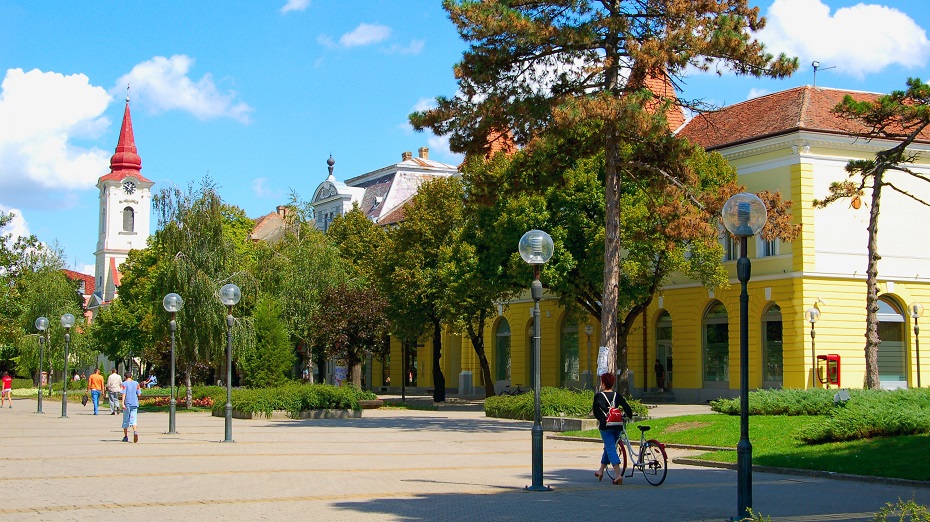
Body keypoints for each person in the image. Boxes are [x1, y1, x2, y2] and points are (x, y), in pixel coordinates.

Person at [592, 372, 633, 485]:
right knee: (608, 446)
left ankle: (618, 475)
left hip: (606, 427)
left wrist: (602, 419)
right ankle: (600, 471)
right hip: (618, 426)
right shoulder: (617, 395)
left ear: (603, 384)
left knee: (610, 449)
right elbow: (626, 407)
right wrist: (629, 415)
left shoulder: (599, 396)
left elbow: (596, 411)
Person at [120, 372, 141, 443]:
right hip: (135, 403)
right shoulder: (136, 383)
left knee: (126, 420)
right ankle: (135, 431)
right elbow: (139, 394)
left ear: (125, 377)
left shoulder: (124, 384)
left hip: (127, 404)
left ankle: (126, 436)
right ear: (131, 376)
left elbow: (123, 393)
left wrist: (122, 403)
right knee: (133, 419)